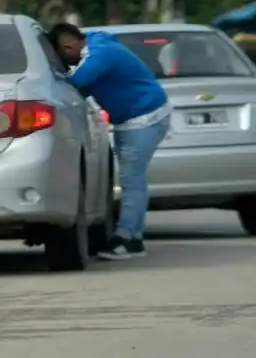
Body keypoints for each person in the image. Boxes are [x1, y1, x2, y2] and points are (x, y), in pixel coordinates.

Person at [48, 23, 171, 261]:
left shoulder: (99, 53)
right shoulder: (95, 46)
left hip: (144, 117)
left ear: (67, 46)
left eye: (62, 57)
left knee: (131, 180)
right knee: (134, 180)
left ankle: (124, 239)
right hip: (138, 117)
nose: (65, 63)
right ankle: (133, 239)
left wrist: (52, 74)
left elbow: (77, 81)